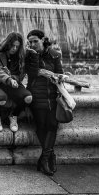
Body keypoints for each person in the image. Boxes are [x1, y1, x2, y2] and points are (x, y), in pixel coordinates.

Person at [26, 29, 64, 176]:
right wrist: (34, 55)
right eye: (30, 42)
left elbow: (59, 73)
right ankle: (50, 156)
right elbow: (33, 73)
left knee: (53, 125)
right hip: (36, 96)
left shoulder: (54, 54)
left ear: (43, 40)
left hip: (53, 96)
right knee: (41, 126)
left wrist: (59, 78)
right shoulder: (29, 55)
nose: (33, 44)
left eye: (35, 41)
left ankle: (45, 158)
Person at [0, 32, 33, 132]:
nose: (14, 48)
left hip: (13, 84)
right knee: (1, 98)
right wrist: (9, 79)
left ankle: (14, 115)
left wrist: (14, 78)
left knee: (28, 98)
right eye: (12, 46)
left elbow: (21, 74)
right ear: (7, 44)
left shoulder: (20, 56)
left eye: (17, 46)